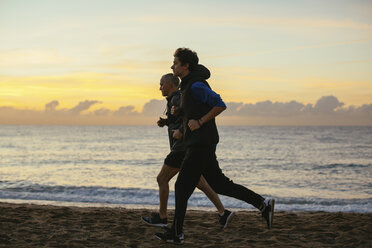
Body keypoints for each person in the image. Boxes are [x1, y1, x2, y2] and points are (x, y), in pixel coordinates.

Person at [155, 48, 275, 244]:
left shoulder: (196, 85)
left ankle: (176, 233)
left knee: (181, 186)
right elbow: (193, 110)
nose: (172, 65)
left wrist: (200, 122)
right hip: (200, 142)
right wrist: (179, 112)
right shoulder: (186, 86)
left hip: (201, 143)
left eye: (175, 62)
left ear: (186, 66)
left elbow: (220, 104)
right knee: (219, 184)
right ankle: (263, 204)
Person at [142, 72, 234, 229]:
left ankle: (163, 218)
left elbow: (188, 118)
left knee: (162, 179)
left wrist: (182, 133)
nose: (160, 88)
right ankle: (223, 212)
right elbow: (179, 118)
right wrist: (166, 122)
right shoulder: (174, 99)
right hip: (187, 148)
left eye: (161, 84)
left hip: (181, 148)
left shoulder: (178, 98)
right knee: (201, 182)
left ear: (170, 84)